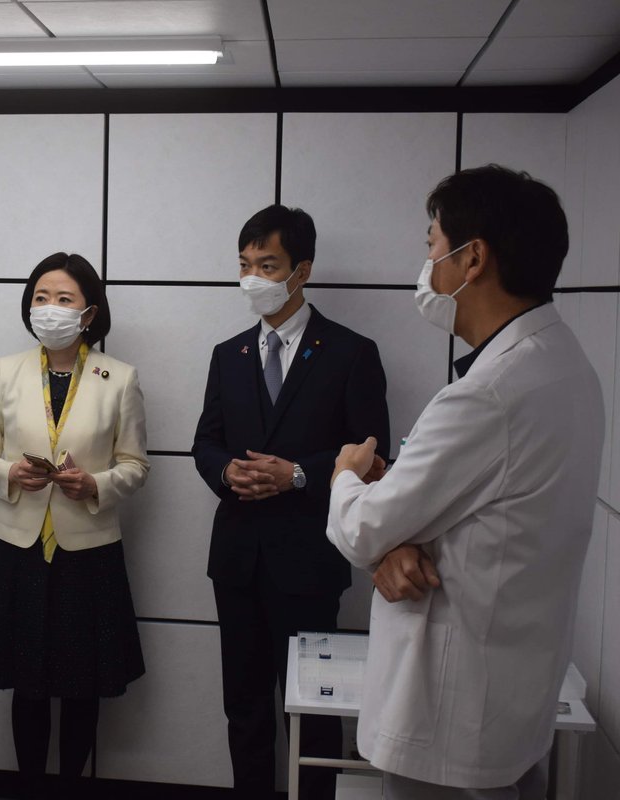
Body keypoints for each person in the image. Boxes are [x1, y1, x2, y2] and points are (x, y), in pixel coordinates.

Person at [326, 165, 603, 799]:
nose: (427, 267)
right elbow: (485, 509)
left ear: (472, 258)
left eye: (432, 246)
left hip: (450, 714)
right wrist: (397, 532)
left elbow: (363, 527)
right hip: (508, 693)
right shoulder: (566, 366)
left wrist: (346, 476)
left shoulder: (489, 394)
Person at [192, 205, 390, 800]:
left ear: (301, 271)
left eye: (267, 265)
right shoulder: (229, 354)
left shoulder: (351, 352)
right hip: (237, 558)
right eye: (244, 265)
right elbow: (205, 442)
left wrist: (299, 474)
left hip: (308, 559)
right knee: (244, 705)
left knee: (313, 711)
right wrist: (226, 471)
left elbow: (374, 454)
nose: (252, 277)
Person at [0, 253, 149, 798]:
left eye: (64, 299)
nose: (50, 308)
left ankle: (70, 786)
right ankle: (29, 787)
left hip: (89, 548)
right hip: (18, 546)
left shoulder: (120, 378)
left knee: (81, 683)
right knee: (28, 682)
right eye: (41, 298)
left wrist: (95, 485)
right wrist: (10, 473)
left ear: (89, 313)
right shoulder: (5, 371)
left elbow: (136, 466)